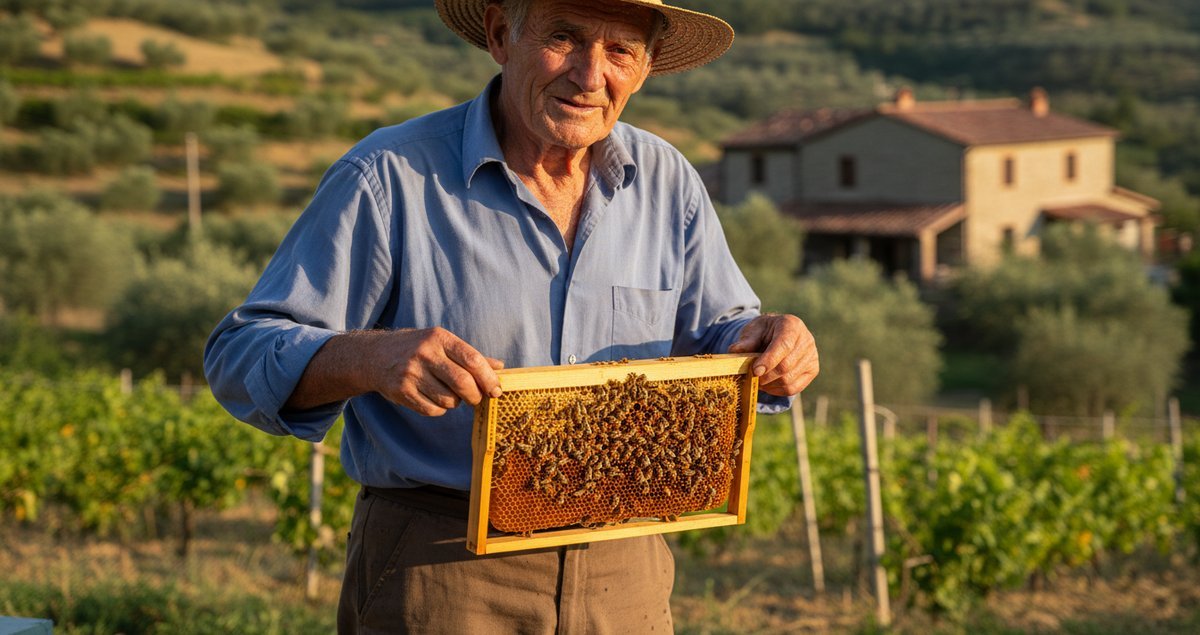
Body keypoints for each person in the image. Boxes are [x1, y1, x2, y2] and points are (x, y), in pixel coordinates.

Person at [204, 0, 819, 632]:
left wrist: (769, 341)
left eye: (620, 52)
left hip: (626, 572)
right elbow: (241, 351)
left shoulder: (668, 181)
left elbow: (723, 333)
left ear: (646, 67)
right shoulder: (389, 175)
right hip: (441, 570)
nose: (589, 75)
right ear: (501, 35)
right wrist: (372, 357)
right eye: (564, 38)